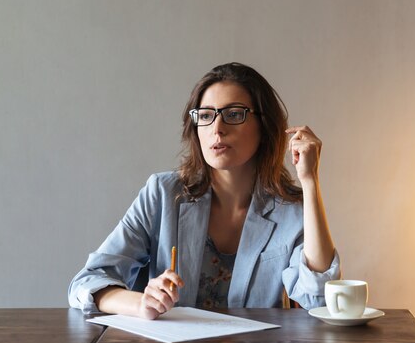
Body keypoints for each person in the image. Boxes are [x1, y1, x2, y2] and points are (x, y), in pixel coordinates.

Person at [68, 62, 341, 319]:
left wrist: (309, 181)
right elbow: (87, 282)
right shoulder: (162, 193)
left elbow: (320, 298)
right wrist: (142, 302)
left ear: (265, 126)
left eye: (234, 115)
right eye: (207, 116)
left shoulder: (289, 209)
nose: (217, 129)